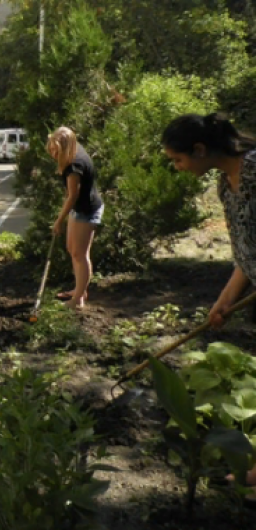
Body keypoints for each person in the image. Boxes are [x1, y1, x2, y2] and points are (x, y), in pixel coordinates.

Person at [162, 112, 256, 495]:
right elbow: (245, 255)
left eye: (178, 159)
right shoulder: (225, 184)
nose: (178, 168)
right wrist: (223, 301)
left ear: (199, 150)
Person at [47, 127, 104, 310]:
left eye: (56, 149)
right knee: (73, 249)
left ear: (65, 147)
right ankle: (80, 289)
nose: (52, 153)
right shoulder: (73, 150)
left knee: (80, 253)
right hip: (78, 209)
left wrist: (58, 220)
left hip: (87, 210)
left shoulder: (74, 165)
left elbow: (72, 196)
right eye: (51, 148)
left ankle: (78, 299)